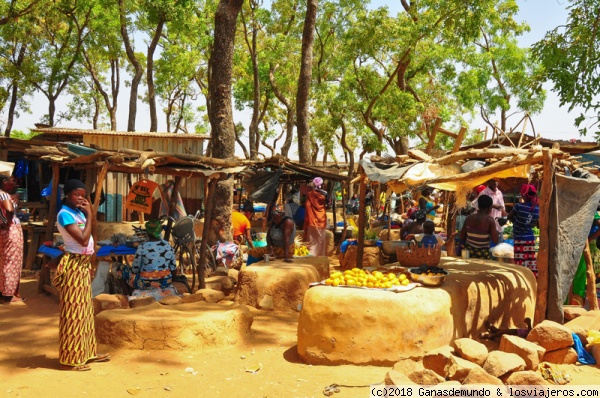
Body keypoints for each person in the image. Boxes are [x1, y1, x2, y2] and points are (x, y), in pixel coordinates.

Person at [53, 179, 110, 371]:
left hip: (83, 266)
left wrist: (88, 215)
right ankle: (73, 359)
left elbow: (88, 238)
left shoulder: (77, 212)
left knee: (84, 312)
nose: (80, 198)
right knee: (73, 314)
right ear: (67, 195)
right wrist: (91, 214)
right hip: (74, 267)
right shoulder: (64, 215)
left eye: (83, 195)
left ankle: (87, 353)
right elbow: (84, 240)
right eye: (76, 194)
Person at [119, 219, 178, 300]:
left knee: (121, 269)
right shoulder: (168, 245)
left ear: (147, 232)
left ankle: (126, 295)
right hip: (165, 283)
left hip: (144, 283)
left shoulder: (142, 246)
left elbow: (135, 270)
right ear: (160, 230)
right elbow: (173, 268)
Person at [0, 173, 24, 304]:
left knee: (5, 260)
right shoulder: (3, 194)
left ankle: (4, 291)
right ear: (4, 182)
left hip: (4, 231)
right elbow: (9, 210)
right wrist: (7, 222)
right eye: (12, 181)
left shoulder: (4, 194)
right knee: (12, 261)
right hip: (11, 230)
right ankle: (8, 295)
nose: (15, 183)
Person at [508, 184, 540, 276]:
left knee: (520, 264)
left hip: (519, 239)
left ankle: (521, 282)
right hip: (530, 239)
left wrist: (516, 221)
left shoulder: (519, 206)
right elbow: (533, 224)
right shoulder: (536, 209)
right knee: (530, 263)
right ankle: (532, 280)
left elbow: (509, 216)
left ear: (523, 195)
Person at [570, 209, 600, 306]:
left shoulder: (591, 209)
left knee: (584, 276)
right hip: (574, 246)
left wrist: (589, 238)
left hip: (584, 247)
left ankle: (578, 303)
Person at [460, 195, 499, 259]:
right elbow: (496, 240)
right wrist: (496, 232)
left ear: (478, 206)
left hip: (469, 254)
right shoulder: (490, 220)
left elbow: (462, 236)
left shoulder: (469, 218)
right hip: (483, 255)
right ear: (489, 208)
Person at [303, 177, 328, 256]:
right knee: (321, 239)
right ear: (322, 184)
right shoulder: (325, 194)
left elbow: (307, 205)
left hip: (312, 219)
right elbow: (329, 204)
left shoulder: (310, 194)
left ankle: (311, 256)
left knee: (312, 239)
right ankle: (320, 255)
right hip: (322, 219)